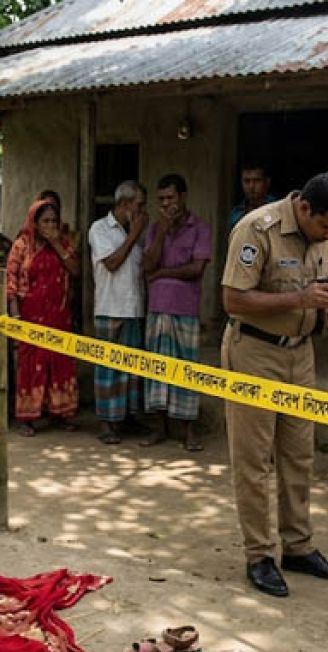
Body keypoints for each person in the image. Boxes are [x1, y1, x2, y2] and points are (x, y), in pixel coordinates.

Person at [222, 171, 328, 597]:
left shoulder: (327, 233)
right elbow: (233, 299)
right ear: (304, 208)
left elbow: (323, 286)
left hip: (301, 353)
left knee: (299, 455)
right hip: (255, 352)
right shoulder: (256, 229)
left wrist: (327, 312)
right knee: (255, 460)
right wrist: (299, 299)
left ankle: (298, 546)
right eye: (326, 227)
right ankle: (260, 554)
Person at [141, 174, 212, 453]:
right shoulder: (155, 229)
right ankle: (159, 427)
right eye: (161, 200)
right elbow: (147, 265)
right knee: (157, 368)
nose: (166, 204)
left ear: (183, 197)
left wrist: (162, 273)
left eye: (170, 197)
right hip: (157, 308)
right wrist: (162, 231)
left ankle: (188, 430)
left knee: (186, 368)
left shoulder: (200, 228)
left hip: (185, 309)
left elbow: (196, 269)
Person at [7, 199, 80, 437]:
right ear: (34, 223)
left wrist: (56, 243)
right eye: (45, 221)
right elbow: (11, 282)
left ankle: (61, 412)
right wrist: (16, 316)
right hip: (31, 317)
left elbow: (76, 270)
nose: (50, 225)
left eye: (54, 221)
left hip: (58, 315)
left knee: (60, 363)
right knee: (31, 366)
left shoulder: (63, 244)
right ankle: (27, 417)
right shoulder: (21, 246)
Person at [89, 181, 148, 445]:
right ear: (124, 205)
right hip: (109, 307)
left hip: (133, 308)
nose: (142, 211)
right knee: (108, 368)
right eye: (139, 205)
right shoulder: (99, 229)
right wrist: (134, 235)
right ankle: (106, 422)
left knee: (131, 368)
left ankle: (126, 417)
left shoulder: (136, 232)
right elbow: (112, 263)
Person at [229, 164, 278, 230]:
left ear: (267, 182)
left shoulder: (277, 208)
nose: (251, 186)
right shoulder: (236, 213)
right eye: (247, 181)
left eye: (257, 180)